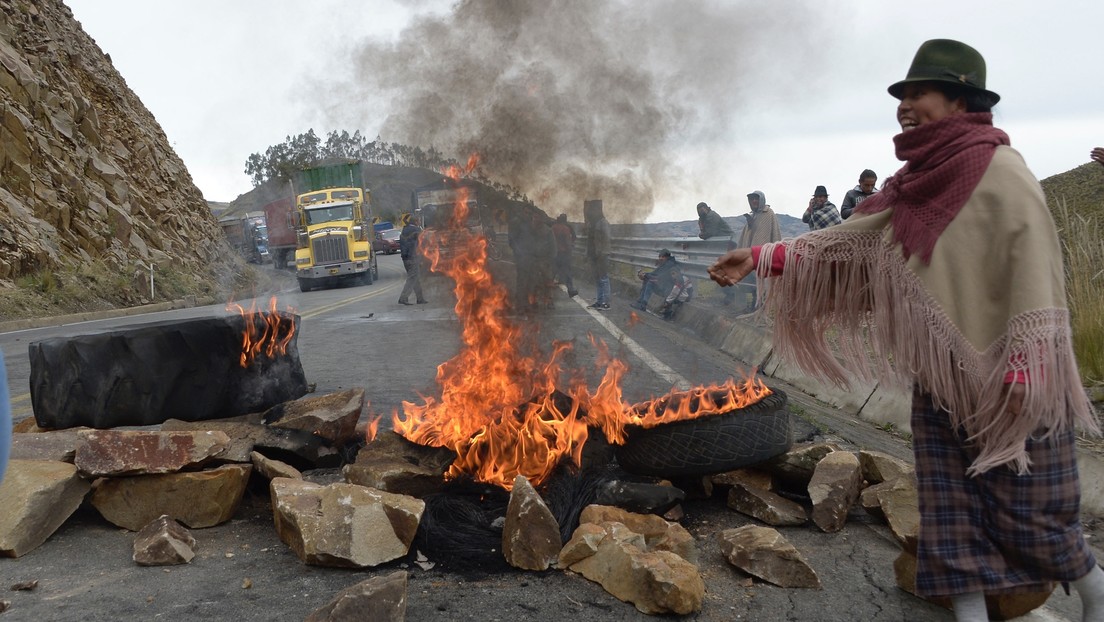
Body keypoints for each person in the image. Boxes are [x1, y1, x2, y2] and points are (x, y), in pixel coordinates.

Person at [708, 39, 1104, 622]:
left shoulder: (1001, 171)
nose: (906, 105)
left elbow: (1036, 264)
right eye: (903, 94)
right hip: (942, 376)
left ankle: (1095, 595)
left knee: (1034, 513)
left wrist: (1026, 360)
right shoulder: (913, 183)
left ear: (961, 99)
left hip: (1013, 379)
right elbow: (852, 239)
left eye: (920, 93)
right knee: (949, 514)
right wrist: (765, 257)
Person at [734, 191, 782, 311]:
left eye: (756, 199)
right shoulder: (753, 215)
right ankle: (754, 305)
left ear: (761, 200)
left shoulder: (768, 214)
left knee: (762, 281)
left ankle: (762, 306)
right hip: (751, 256)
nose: (754, 201)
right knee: (751, 281)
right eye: (751, 199)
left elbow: (774, 234)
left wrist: (776, 252)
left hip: (764, 255)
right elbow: (747, 237)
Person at [697, 201, 737, 305]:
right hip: (723, 246)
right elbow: (704, 231)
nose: (701, 212)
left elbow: (710, 232)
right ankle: (729, 294)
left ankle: (731, 295)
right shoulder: (703, 219)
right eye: (699, 210)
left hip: (730, 245)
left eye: (702, 209)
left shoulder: (712, 216)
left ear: (707, 208)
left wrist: (702, 234)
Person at [584, 199, 611, 310]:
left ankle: (606, 303)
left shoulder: (603, 222)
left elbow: (606, 239)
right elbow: (589, 240)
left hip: (602, 254)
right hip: (593, 254)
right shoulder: (591, 223)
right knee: (597, 279)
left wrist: (601, 252)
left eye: (592, 208)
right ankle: (600, 301)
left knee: (604, 278)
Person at [397, 220, 427, 305]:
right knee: (412, 278)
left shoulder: (403, 231)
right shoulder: (416, 230)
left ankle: (420, 298)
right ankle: (403, 298)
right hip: (413, 258)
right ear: (416, 222)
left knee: (415, 278)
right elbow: (422, 243)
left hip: (405, 259)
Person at [551, 213, 578, 297]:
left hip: (554, 253)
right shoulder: (566, 228)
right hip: (564, 253)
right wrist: (570, 251)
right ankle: (570, 290)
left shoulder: (553, 227)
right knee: (568, 271)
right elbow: (568, 241)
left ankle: (546, 294)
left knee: (552, 273)